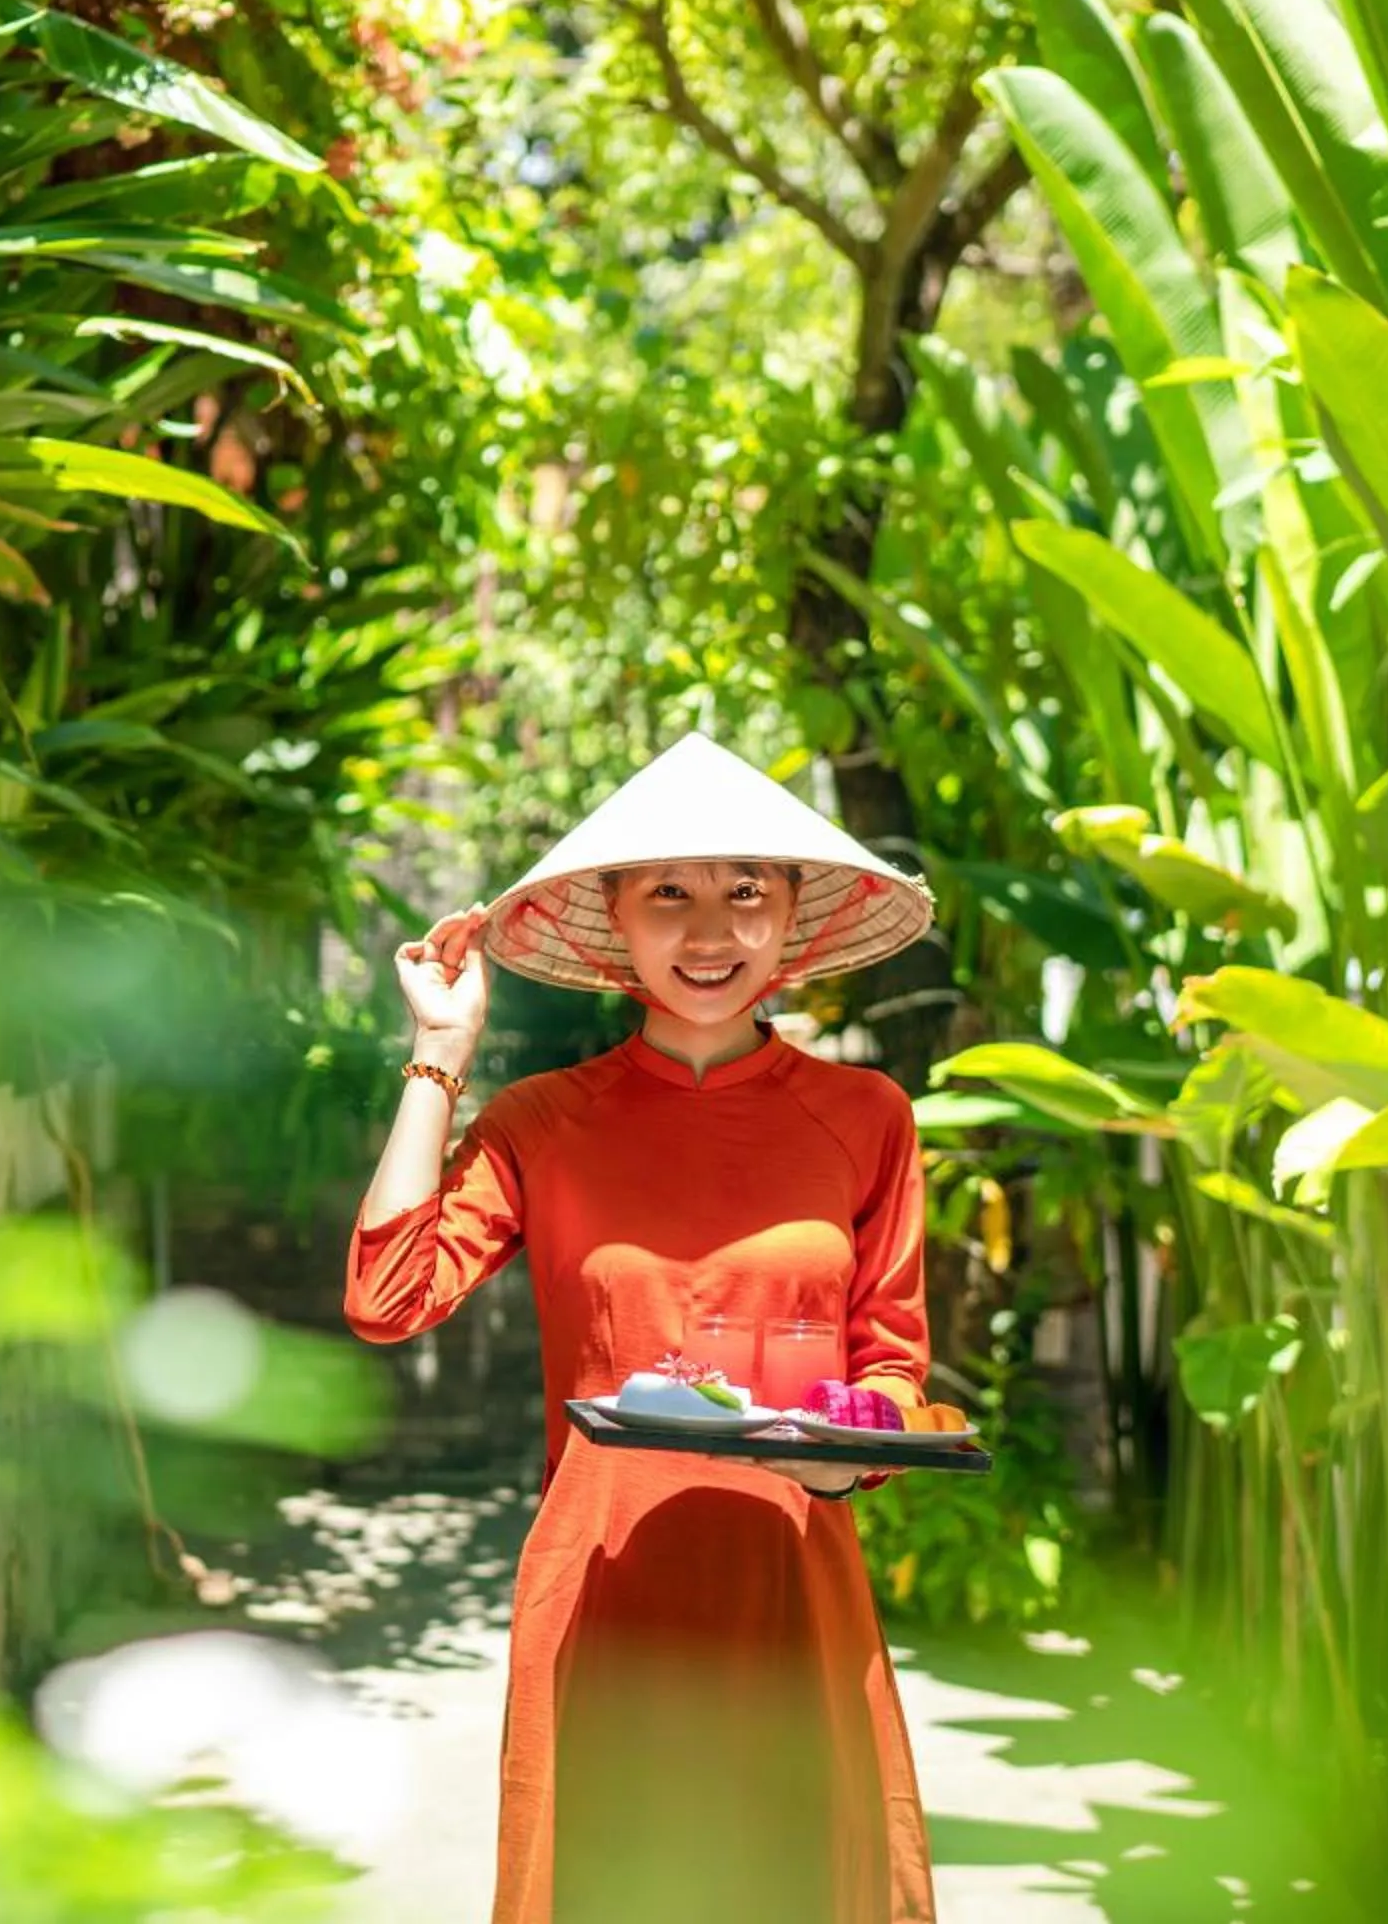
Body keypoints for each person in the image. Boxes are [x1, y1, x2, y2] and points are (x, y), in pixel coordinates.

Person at [348, 732, 962, 1924]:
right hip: (604, 1588)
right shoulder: (544, 1122)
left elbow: (888, 1361)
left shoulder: (865, 1116)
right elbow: (389, 1296)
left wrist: (859, 1441)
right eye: (667, 894)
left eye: (747, 892)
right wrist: (440, 1054)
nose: (711, 930)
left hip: (794, 1579)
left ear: (791, 920)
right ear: (615, 924)